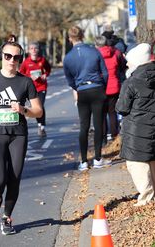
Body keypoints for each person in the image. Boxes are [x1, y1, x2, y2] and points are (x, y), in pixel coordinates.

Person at [0, 35, 43, 235]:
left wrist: (23, 110)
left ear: (21, 60)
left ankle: (7, 218)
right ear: (1, 57)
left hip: (18, 135)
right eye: (8, 56)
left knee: (14, 178)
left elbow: (38, 111)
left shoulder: (26, 82)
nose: (12, 61)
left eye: (16, 58)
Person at [63, 26, 111, 171]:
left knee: (84, 126)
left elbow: (70, 80)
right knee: (98, 125)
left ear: (69, 38)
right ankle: (97, 158)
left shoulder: (68, 57)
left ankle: (83, 161)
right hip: (97, 88)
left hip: (82, 91)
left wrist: (78, 88)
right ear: (83, 35)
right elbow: (105, 73)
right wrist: (102, 86)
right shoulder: (93, 51)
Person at [116, 43, 155, 207]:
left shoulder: (131, 82)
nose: (126, 64)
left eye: (129, 62)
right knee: (152, 160)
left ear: (137, 62)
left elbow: (122, 108)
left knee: (137, 164)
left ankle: (146, 199)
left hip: (137, 130)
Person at [95, 35, 126, 142]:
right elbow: (123, 66)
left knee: (101, 113)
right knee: (112, 112)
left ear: (97, 45)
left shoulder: (95, 54)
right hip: (114, 85)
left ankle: (103, 137)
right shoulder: (116, 52)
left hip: (101, 86)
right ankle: (114, 135)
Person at [19, 42, 51, 137]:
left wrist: (45, 75)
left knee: (40, 105)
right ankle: (39, 124)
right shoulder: (26, 62)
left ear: (38, 50)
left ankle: (41, 126)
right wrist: (29, 77)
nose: (33, 50)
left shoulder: (42, 60)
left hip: (41, 86)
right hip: (31, 88)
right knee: (36, 107)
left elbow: (48, 69)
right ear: (28, 50)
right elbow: (21, 74)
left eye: (35, 48)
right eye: (31, 48)